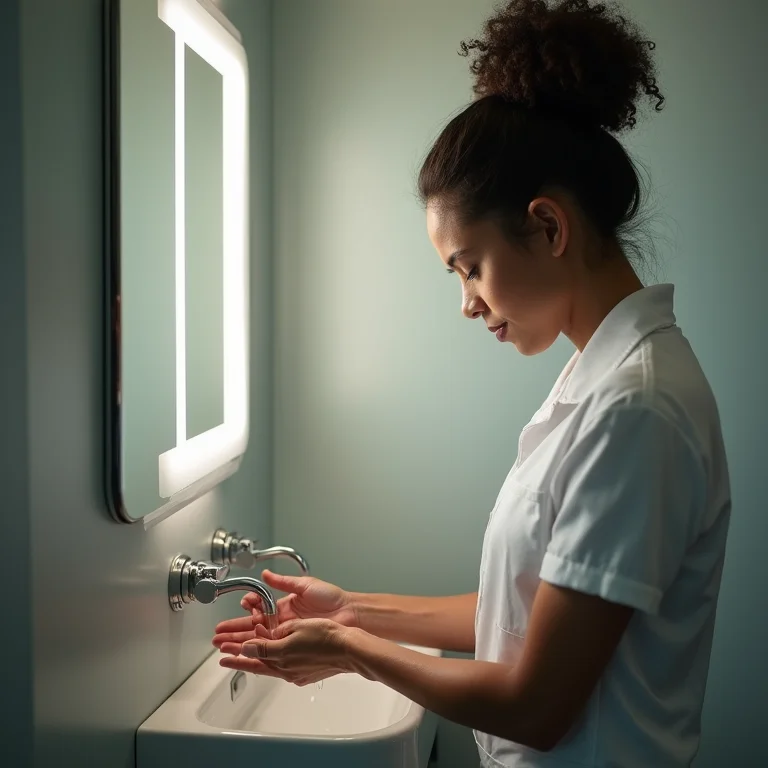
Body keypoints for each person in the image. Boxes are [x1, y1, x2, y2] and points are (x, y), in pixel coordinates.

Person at [214, 1, 731, 765]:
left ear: (548, 228)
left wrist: (352, 649)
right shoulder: (601, 384)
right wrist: (352, 609)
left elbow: (538, 705)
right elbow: (522, 618)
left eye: (469, 266)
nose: (467, 303)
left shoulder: (636, 409)